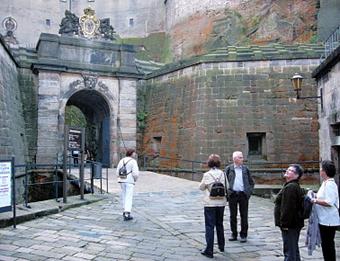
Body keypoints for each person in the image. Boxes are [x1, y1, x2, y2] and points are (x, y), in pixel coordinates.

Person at [310, 160, 340, 261]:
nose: (320, 170)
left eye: (321, 169)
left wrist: (314, 200)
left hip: (329, 220)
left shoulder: (330, 184)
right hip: (323, 219)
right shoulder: (325, 183)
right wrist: (314, 195)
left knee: (328, 245)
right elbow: (322, 197)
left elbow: (329, 202)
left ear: (324, 171)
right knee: (326, 245)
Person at [274, 164, 305, 261]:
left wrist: (285, 224)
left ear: (296, 175)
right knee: (293, 249)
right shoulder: (290, 185)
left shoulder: (291, 187)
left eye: (290, 170)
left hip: (290, 225)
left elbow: (288, 208)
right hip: (293, 224)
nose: (287, 171)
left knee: (289, 251)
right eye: (287, 169)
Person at [199, 154, 227, 258]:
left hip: (210, 203)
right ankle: (221, 245)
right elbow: (227, 186)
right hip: (221, 203)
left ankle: (209, 250)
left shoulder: (207, 174)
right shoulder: (223, 174)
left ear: (209, 163)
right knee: (220, 224)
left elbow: (201, 187)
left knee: (209, 226)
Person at [225, 151, 255, 243]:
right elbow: (225, 182)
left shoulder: (245, 169)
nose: (243, 159)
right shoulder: (229, 169)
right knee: (232, 216)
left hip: (243, 195)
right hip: (233, 195)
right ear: (235, 159)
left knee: (244, 215)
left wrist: (248, 193)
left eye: (242, 157)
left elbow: (251, 182)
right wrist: (228, 193)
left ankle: (243, 234)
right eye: (240, 157)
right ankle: (234, 234)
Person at [116, 148, 139, 221]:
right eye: (134, 153)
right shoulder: (133, 161)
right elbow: (135, 173)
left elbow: (117, 171)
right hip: (129, 180)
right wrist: (135, 179)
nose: (135, 154)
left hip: (122, 180)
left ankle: (124, 209)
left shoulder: (121, 160)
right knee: (129, 196)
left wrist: (119, 177)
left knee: (124, 195)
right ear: (131, 153)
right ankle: (127, 212)